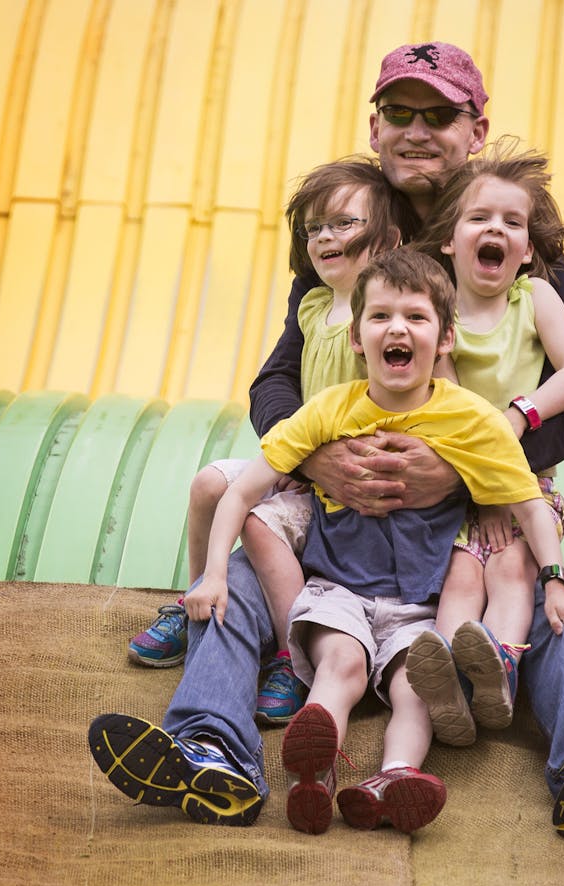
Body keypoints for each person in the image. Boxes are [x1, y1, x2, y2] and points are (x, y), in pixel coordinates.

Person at [252, 42, 564, 846]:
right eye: (400, 112)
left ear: (477, 130)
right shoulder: (347, 230)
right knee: (244, 561)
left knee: (530, 608)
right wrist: (315, 455)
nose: (417, 129)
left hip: (484, 497)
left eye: (440, 114)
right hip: (353, 496)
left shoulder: (525, 248)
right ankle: (212, 747)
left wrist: (467, 471)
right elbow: (279, 381)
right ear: (375, 125)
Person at [89, 248, 564, 834]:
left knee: (417, 683)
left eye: (416, 318)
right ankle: (314, 775)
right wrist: (212, 577)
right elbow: (241, 492)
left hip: (421, 607)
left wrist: (555, 584)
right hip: (338, 592)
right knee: (341, 664)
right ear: (356, 338)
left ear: (446, 337)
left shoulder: (474, 422)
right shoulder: (328, 412)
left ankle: (394, 778)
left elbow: (528, 505)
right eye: (380, 317)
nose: (397, 328)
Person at [126, 158, 418, 727]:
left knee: (262, 525)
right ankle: (194, 601)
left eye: (344, 224)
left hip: (346, 473)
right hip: (303, 455)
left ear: (388, 239)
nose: (326, 237)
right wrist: (296, 453)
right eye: (315, 229)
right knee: (210, 482)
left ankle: (292, 654)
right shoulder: (311, 305)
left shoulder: (382, 313)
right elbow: (276, 382)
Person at [399, 145, 564, 748]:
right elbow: (448, 397)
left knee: (511, 567)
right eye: (480, 218)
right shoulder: (439, 308)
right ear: (450, 241)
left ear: (529, 250)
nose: (497, 231)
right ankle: (452, 679)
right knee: (460, 576)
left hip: (528, 482)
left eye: (513, 223)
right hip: (463, 484)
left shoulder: (534, 298)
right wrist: (480, 471)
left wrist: (520, 413)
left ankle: (502, 665)